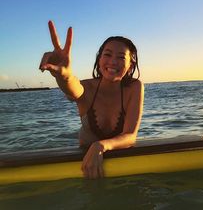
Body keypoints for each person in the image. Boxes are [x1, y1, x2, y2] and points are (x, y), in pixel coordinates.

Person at [39, 21, 144, 179]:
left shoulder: (134, 87)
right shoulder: (87, 88)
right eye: (107, 55)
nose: (113, 61)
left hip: (121, 171)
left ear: (130, 65)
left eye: (121, 57)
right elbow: (72, 89)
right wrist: (64, 75)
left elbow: (130, 135)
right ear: (99, 59)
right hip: (84, 170)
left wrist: (101, 145)